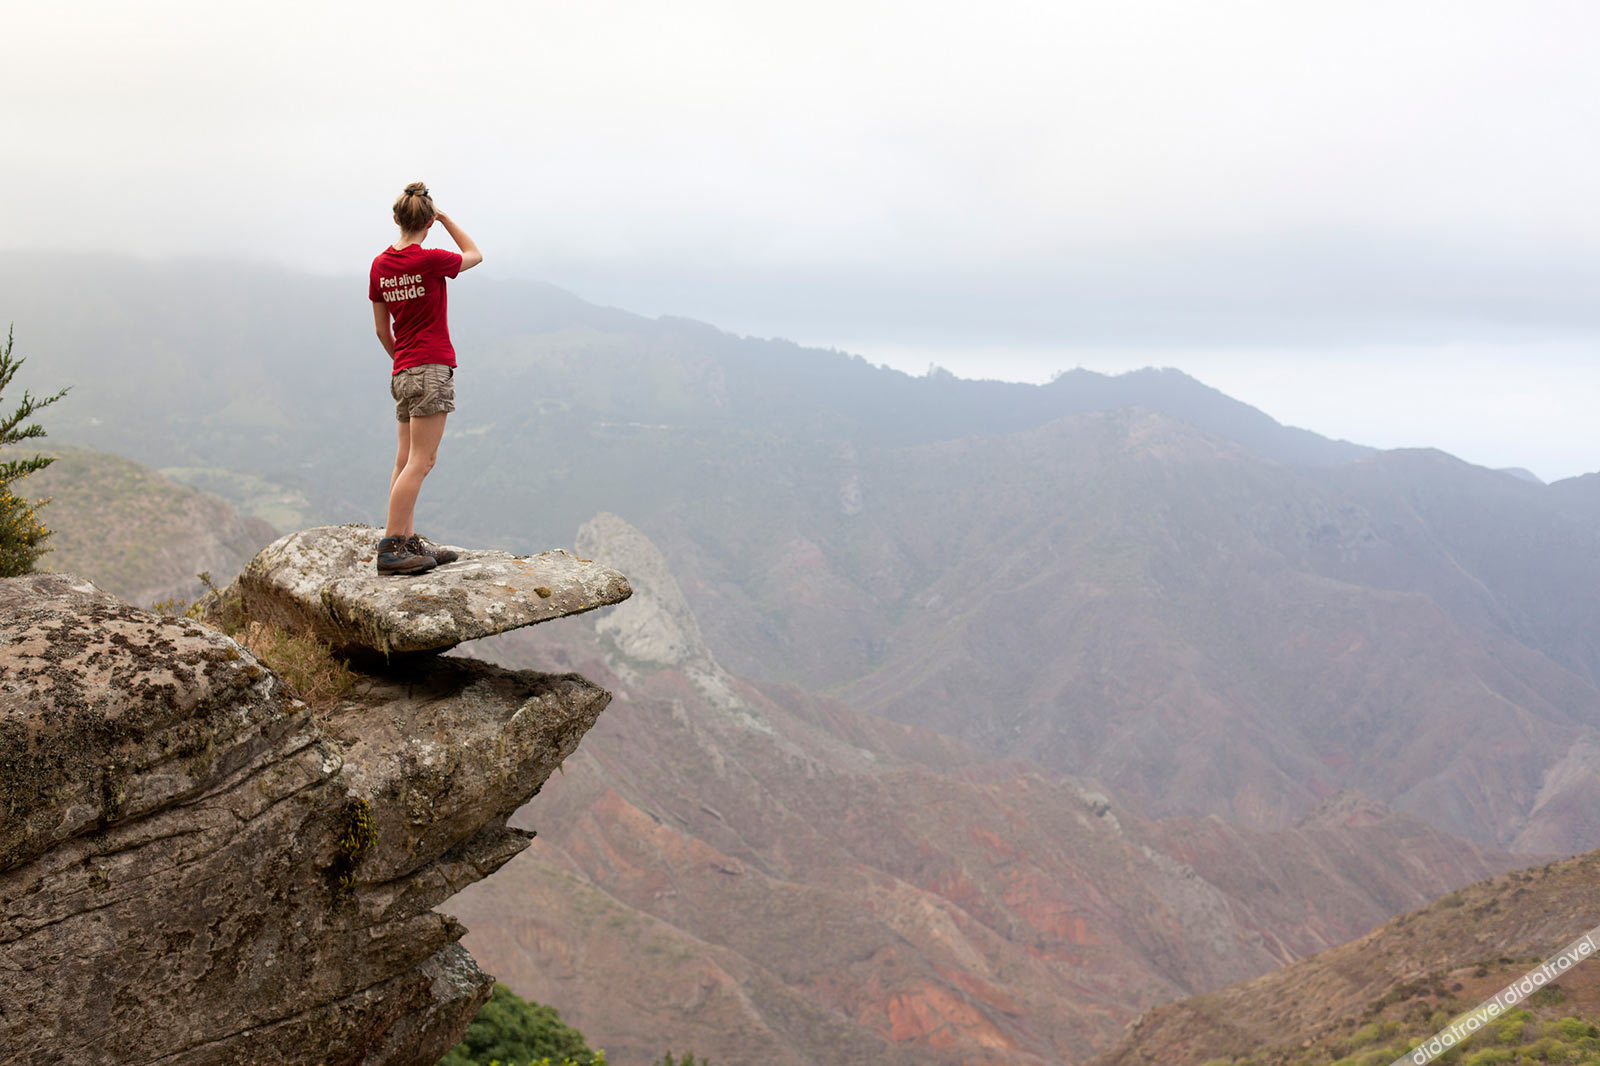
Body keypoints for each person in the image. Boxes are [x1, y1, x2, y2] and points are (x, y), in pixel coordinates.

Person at [368, 182, 482, 574]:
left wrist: (402, 360)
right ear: (428, 223)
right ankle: (392, 545)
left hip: (402, 369)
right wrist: (448, 220)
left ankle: (406, 537)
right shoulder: (430, 260)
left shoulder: (380, 265)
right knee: (423, 460)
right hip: (431, 368)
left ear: (397, 219)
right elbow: (475, 255)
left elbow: (383, 331)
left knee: (405, 459)